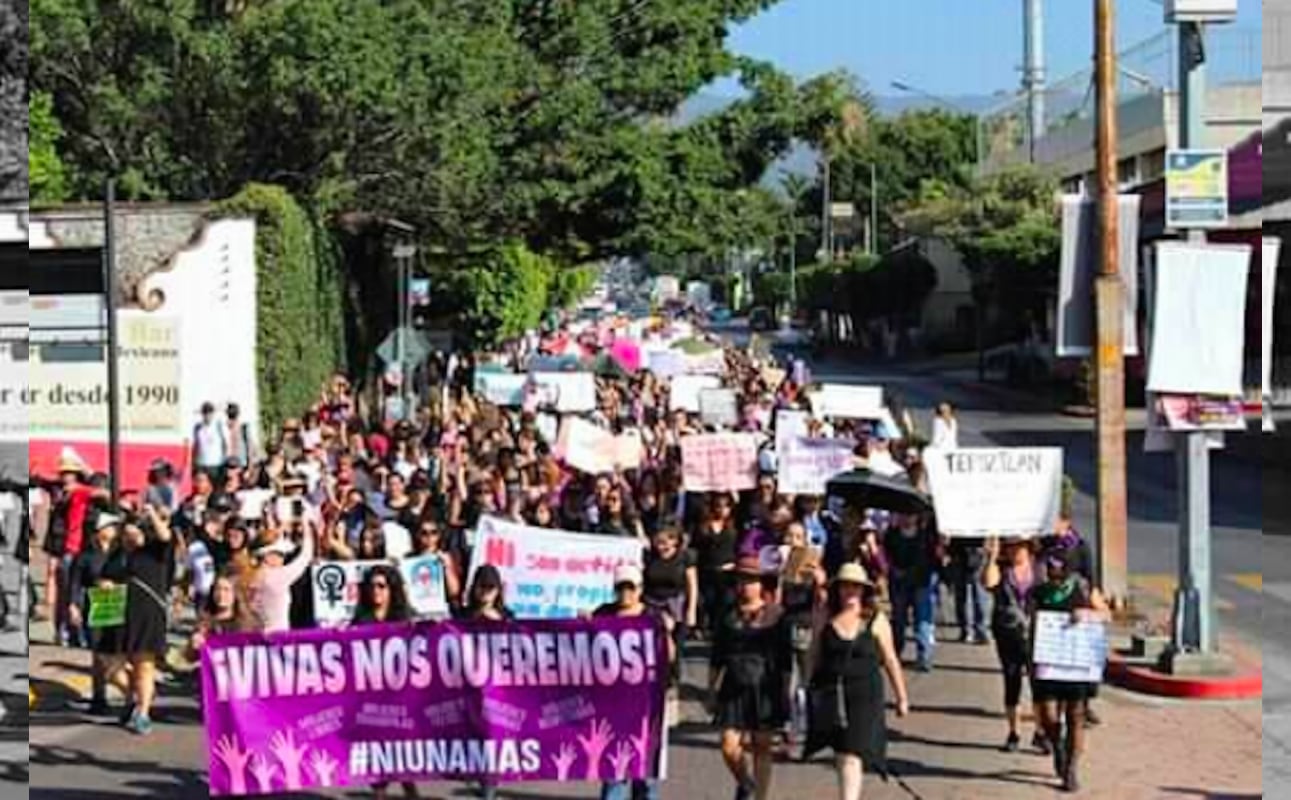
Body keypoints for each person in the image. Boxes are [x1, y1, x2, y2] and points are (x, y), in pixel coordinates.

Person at [804, 563, 910, 800]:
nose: (850, 591)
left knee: (853, 752)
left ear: (864, 590)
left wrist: (901, 697)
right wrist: (805, 685)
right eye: (846, 586)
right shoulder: (825, 615)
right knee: (842, 752)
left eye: (855, 587)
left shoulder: (876, 620)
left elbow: (890, 659)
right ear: (838, 589)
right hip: (833, 693)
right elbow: (814, 652)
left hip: (865, 695)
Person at [1029, 547, 1110, 793]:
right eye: (1049, 568)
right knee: (1049, 716)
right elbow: (1031, 622)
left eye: (1057, 569)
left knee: (1076, 715)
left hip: (1077, 664)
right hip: (1048, 662)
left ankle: (1071, 769)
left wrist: (1086, 613)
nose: (1052, 573)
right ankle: (1058, 745)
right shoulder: (1039, 592)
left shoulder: (1083, 589)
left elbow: (1106, 614)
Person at [712, 555, 791, 800]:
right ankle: (746, 783)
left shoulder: (777, 615)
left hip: (765, 685)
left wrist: (785, 692)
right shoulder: (727, 615)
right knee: (728, 745)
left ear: (761, 584)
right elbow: (717, 656)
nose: (745, 585)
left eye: (751, 580)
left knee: (762, 746)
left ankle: (761, 797)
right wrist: (710, 689)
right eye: (741, 580)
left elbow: (785, 659)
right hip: (733, 684)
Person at [593, 564, 670, 800]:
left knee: (645, 770)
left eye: (630, 588)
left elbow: (670, 658)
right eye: (620, 588)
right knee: (613, 766)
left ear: (640, 589)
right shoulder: (603, 614)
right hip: (612, 703)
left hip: (646, 703)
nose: (625, 593)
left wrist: (666, 634)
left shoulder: (654, 616)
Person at [100, 505, 177, 735]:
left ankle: (142, 712)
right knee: (112, 668)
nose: (131, 538)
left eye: (135, 534)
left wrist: (152, 512)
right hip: (118, 616)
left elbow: (165, 536)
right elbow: (104, 577)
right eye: (127, 534)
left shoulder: (155, 552)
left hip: (147, 615)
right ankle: (133, 696)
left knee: (145, 666)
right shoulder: (117, 556)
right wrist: (104, 584)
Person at [351, 565, 420, 800]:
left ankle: (409, 789)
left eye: (381, 586)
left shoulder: (405, 618)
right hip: (371, 698)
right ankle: (379, 793)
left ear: (392, 589)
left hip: (400, 695)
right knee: (376, 752)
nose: (376, 591)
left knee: (402, 750)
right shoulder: (360, 620)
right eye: (371, 586)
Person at [983, 537, 1045, 754]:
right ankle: (1014, 732)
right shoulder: (1001, 569)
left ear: (1028, 548)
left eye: (1018, 547)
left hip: (1037, 634)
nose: (1014, 552)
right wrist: (992, 557)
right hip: (1008, 633)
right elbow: (988, 583)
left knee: (1039, 684)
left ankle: (1040, 731)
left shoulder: (1040, 569)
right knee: (1012, 681)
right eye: (1009, 547)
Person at [67, 513, 127, 716]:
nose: (115, 530)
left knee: (118, 653)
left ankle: (130, 695)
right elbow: (75, 582)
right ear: (99, 531)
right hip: (95, 608)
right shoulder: (85, 556)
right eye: (110, 526)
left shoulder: (121, 553)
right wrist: (73, 605)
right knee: (98, 654)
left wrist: (117, 585)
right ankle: (98, 697)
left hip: (118, 607)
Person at [884, 513, 942, 671]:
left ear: (916, 517)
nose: (906, 517)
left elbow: (933, 560)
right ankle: (894, 653)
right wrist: (893, 570)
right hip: (898, 583)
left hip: (921, 582)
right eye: (902, 514)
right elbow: (887, 556)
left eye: (909, 514)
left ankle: (924, 657)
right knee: (899, 620)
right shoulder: (892, 534)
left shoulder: (926, 536)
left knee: (923, 620)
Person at [251, 524, 315, 634]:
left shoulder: (248, 575)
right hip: (278, 638)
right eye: (280, 554)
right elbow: (306, 556)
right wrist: (307, 527)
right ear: (267, 555)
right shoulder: (278, 576)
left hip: (253, 638)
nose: (283, 558)